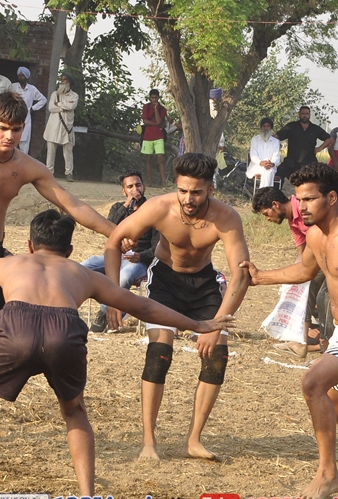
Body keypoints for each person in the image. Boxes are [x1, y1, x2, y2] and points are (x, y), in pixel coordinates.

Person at [0, 209, 236, 499]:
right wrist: (197, 324)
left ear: (29, 244)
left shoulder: (8, 264)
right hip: (64, 330)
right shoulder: (82, 274)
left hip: (16, 326)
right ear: (70, 249)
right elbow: (143, 306)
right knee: (74, 412)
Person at [0, 91, 117, 445]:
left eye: (16, 129)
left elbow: (71, 203)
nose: (9, 135)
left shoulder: (27, 165)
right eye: (3, 128)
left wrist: (115, 232)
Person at [242, 163, 338, 499]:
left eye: (310, 199)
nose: (302, 206)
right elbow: (305, 271)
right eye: (299, 199)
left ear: (332, 198)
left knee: (312, 383)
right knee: (336, 407)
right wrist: (260, 277)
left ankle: (328, 474)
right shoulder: (314, 234)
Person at [103, 152, 250, 462]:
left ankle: (193, 440)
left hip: (204, 283)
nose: (188, 199)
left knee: (217, 357)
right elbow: (114, 241)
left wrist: (217, 326)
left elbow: (240, 275)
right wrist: (114, 296)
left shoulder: (226, 217)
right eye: (182, 190)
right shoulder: (159, 208)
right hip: (165, 281)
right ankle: (148, 441)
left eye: (196, 192)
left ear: (210, 189)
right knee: (159, 352)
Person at [252, 185, 322, 358]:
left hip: (333, 255)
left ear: (275, 204)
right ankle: (301, 339)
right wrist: (291, 278)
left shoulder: (303, 209)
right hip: (320, 258)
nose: (267, 219)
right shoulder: (292, 220)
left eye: (266, 214)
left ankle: (303, 342)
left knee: (308, 286)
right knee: (297, 285)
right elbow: (301, 255)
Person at [80, 170, 154, 332]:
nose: (135, 189)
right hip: (115, 256)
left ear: (144, 187)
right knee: (84, 266)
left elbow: (158, 246)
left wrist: (140, 256)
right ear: (124, 191)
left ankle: (104, 313)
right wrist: (126, 205)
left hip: (139, 261)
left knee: (124, 276)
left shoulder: (152, 211)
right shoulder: (117, 208)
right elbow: (107, 228)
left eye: (138, 185)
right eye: (130, 187)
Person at [276, 106, 333, 181]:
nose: (305, 115)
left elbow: (329, 139)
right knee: (277, 175)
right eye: (303, 113)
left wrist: (319, 148)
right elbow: (277, 136)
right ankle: (275, 189)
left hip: (309, 162)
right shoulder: (291, 126)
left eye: (307, 114)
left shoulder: (314, 128)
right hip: (291, 161)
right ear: (299, 114)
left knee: (316, 180)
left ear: (309, 115)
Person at [44, 73, 78, 181]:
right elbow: (51, 108)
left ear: (69, 82)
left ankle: (69, 173)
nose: (62, 81)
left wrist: (58, 104)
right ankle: (49, 173)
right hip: (54, 126)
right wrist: (64, 107)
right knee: (51, 150)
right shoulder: (55, 94)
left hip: (67, 126)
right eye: (62, 79)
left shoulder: (74, 96)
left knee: (68, 151)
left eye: (65, 80)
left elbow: (72, 106)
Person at [9, 67, 46, 154]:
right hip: (13, 116)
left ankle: (23, 162)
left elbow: (43, 99)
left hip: (26, 118)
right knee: (12, 140)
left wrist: (33, 108)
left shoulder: (32, 89)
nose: (21, 77)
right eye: (19, 75)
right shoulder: (13, 86)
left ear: (27, 77)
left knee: (24, 144)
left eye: (23, 75)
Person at [141, 89, 170, 187]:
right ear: (150, 98)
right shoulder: (146, 107)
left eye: (156, 98)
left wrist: (156, 109)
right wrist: (158, 125)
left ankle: (163, 182)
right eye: (152, 98)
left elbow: (158, 121)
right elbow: (145, 121)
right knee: (148, 159)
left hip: (158, 137)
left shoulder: (162, 109)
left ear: (158, 98)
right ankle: (150, 182)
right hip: (148, 136)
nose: (154, 100)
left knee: (161, 159)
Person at [247, 117, 280, 190]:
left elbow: (276, 156)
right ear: (261, 127)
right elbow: (253, 155)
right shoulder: (255, 139)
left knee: (268, 171)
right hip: (257, 166)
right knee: (268, 172)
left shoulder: (275, 141)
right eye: (264, 126)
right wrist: (261, 163)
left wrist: (272, 164)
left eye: (268, 126)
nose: (266, 128)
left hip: (270, 166)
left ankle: (262, 193)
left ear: (270, 128)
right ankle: (266, 193)